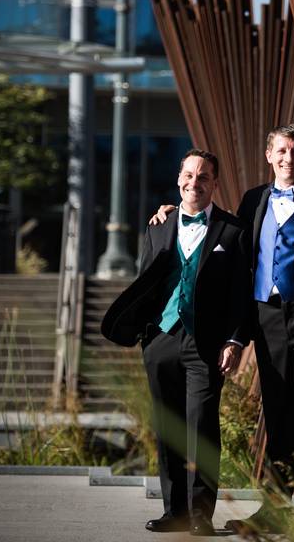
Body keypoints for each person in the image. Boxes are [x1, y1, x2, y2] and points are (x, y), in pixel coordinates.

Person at [151, 124, 294, 523]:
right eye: (281, 150)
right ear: (269, 155)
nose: (289, 158)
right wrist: (173, 210)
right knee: (277, 409)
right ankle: (278, 506)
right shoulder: (253, 201)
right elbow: (222, 234)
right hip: (266, 317)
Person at [102, 149, 254, 536]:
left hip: (207, 344)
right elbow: (145, 285)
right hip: (161, 339)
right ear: (178, 179)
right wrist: (144, 336)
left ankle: (201, 514)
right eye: (189, 175)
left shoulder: (232, 232)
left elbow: (241, 295)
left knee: (201, 427)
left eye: (203, 177)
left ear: (215, 184)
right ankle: (175, 511)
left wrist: (235, 341)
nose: (195, 183)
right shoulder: (158, 227)